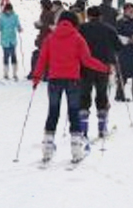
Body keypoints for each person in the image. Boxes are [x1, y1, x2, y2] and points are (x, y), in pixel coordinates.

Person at [32, 11, 109, 163]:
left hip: (54, 80)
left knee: (53, 112)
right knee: (74, 113)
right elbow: (87, 60)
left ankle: (47, 148)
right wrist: (104, 68)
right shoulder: (77, 38)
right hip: (73, 80)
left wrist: (36, 77)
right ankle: (76, 149)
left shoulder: (50, 38)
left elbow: (42, 59)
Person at [78, 6, 120, 138]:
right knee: (102, 95)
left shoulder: (82, 29)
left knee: (84, 96)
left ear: (88, 16)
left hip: (85, 67)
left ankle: (83, 129)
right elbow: (118, 46)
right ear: (100, 16)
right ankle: (102, 128)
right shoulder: (109, 29)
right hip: (103, 67)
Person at [0, 3, 22, 80]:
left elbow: (17, 24)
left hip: (12, 39)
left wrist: (19, 28)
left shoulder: (15, 16)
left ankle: (14, 73)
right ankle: (6, 73)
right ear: (5, 10)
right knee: (6, 56)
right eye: (7, 10)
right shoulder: (1, 17)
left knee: (13, 55)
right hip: (5, 39)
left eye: (10, 10)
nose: (9, 12)